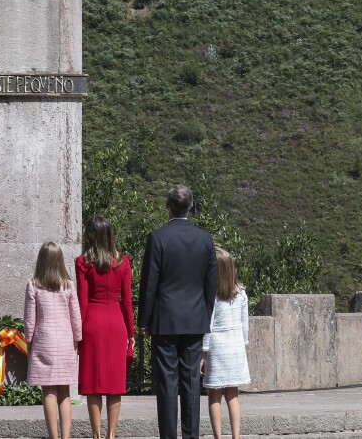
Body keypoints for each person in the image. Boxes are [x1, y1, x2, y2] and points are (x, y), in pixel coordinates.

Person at [138, 184, 218, 439]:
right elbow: (210, 284)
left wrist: (144, 321)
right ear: (191, 207)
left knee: (167, 385)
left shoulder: (158, 237)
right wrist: (204, 316)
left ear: (167, 207)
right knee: (191, 383)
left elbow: (149, 283)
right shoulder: (205, 239)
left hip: (165, 321)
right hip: (194, 320)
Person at [76, 215, 135, 439]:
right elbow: (127, 301)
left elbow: (82, 301)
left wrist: (77, 332)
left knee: (93, 385)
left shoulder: (83, 262)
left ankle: (96, 435)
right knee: (115, 384)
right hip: (116, 322)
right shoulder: (123, 262)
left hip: (92, 322)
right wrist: (131, 332)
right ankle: (111, 434)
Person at [24, 241, 82, 439]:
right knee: (64, 391)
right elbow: (76, 318)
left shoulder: (33, 285)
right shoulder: (68, 285)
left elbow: (30, 321)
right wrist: (78, 340)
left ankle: (53, 437)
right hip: (66, 342)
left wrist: (28, 342)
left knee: (48, 390)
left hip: (44, 342)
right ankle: (66, 437)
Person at [200, 248, 251, 439]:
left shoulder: (212, 297)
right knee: (233, 395)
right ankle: (236, 436)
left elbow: (208, 327)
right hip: (236, 347)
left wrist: (203, 353)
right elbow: (244, 325)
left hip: (218, 347)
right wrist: (243, 345)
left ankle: (218, 437)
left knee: (214, 395)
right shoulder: (241, 294)